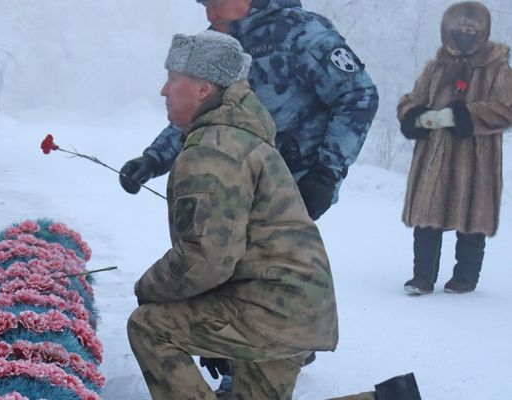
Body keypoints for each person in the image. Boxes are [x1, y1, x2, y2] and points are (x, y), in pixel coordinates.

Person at [127, 29, 420, 400]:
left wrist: (148, 289)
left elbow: (206, 259)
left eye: (173, 78)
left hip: (268, 309)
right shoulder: (239, 135)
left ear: (203, 88)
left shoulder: (214, 149)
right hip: (294, 306)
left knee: (150, 326)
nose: (164, 90)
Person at [119, 0, 378, 222]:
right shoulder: (216, 44)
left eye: (216, 4)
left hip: (288, 193)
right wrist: (153, 160)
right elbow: (197, 109)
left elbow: (359, 96)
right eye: (205, 6)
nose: (210, 15)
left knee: (276, 263)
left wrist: (326, 174)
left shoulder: (301, 32)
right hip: (226, 189)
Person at [398, 1, 512, 295]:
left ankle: (465, 278)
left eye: (471, 29)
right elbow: (411, 99)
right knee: (426, 217)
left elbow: (507, 109)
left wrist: (465, 116)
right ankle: (422, 277)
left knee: (472, 219)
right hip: (433, 155)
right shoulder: (435, 66)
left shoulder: (497, 67)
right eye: (459, 27)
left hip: (476, 157)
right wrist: (416, 115)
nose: (464, 32)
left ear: (482, 31)